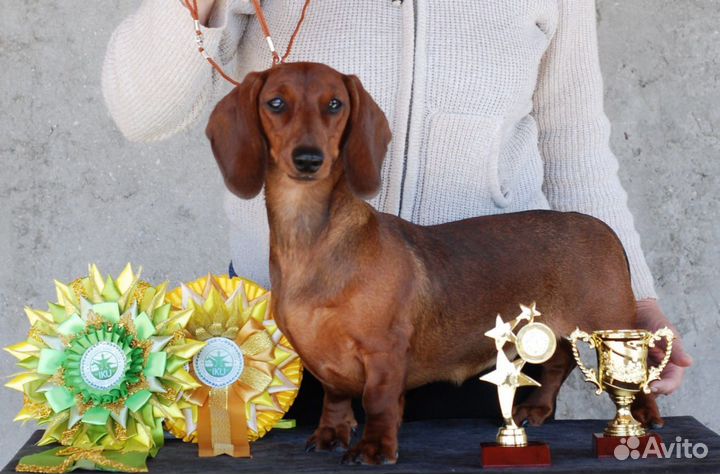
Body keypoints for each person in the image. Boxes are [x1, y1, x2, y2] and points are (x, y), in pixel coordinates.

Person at [102, 0, 691, 423]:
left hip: (484, 326)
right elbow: (142, 112)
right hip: (276, 347)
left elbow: (573, 139)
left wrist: (633, 299)